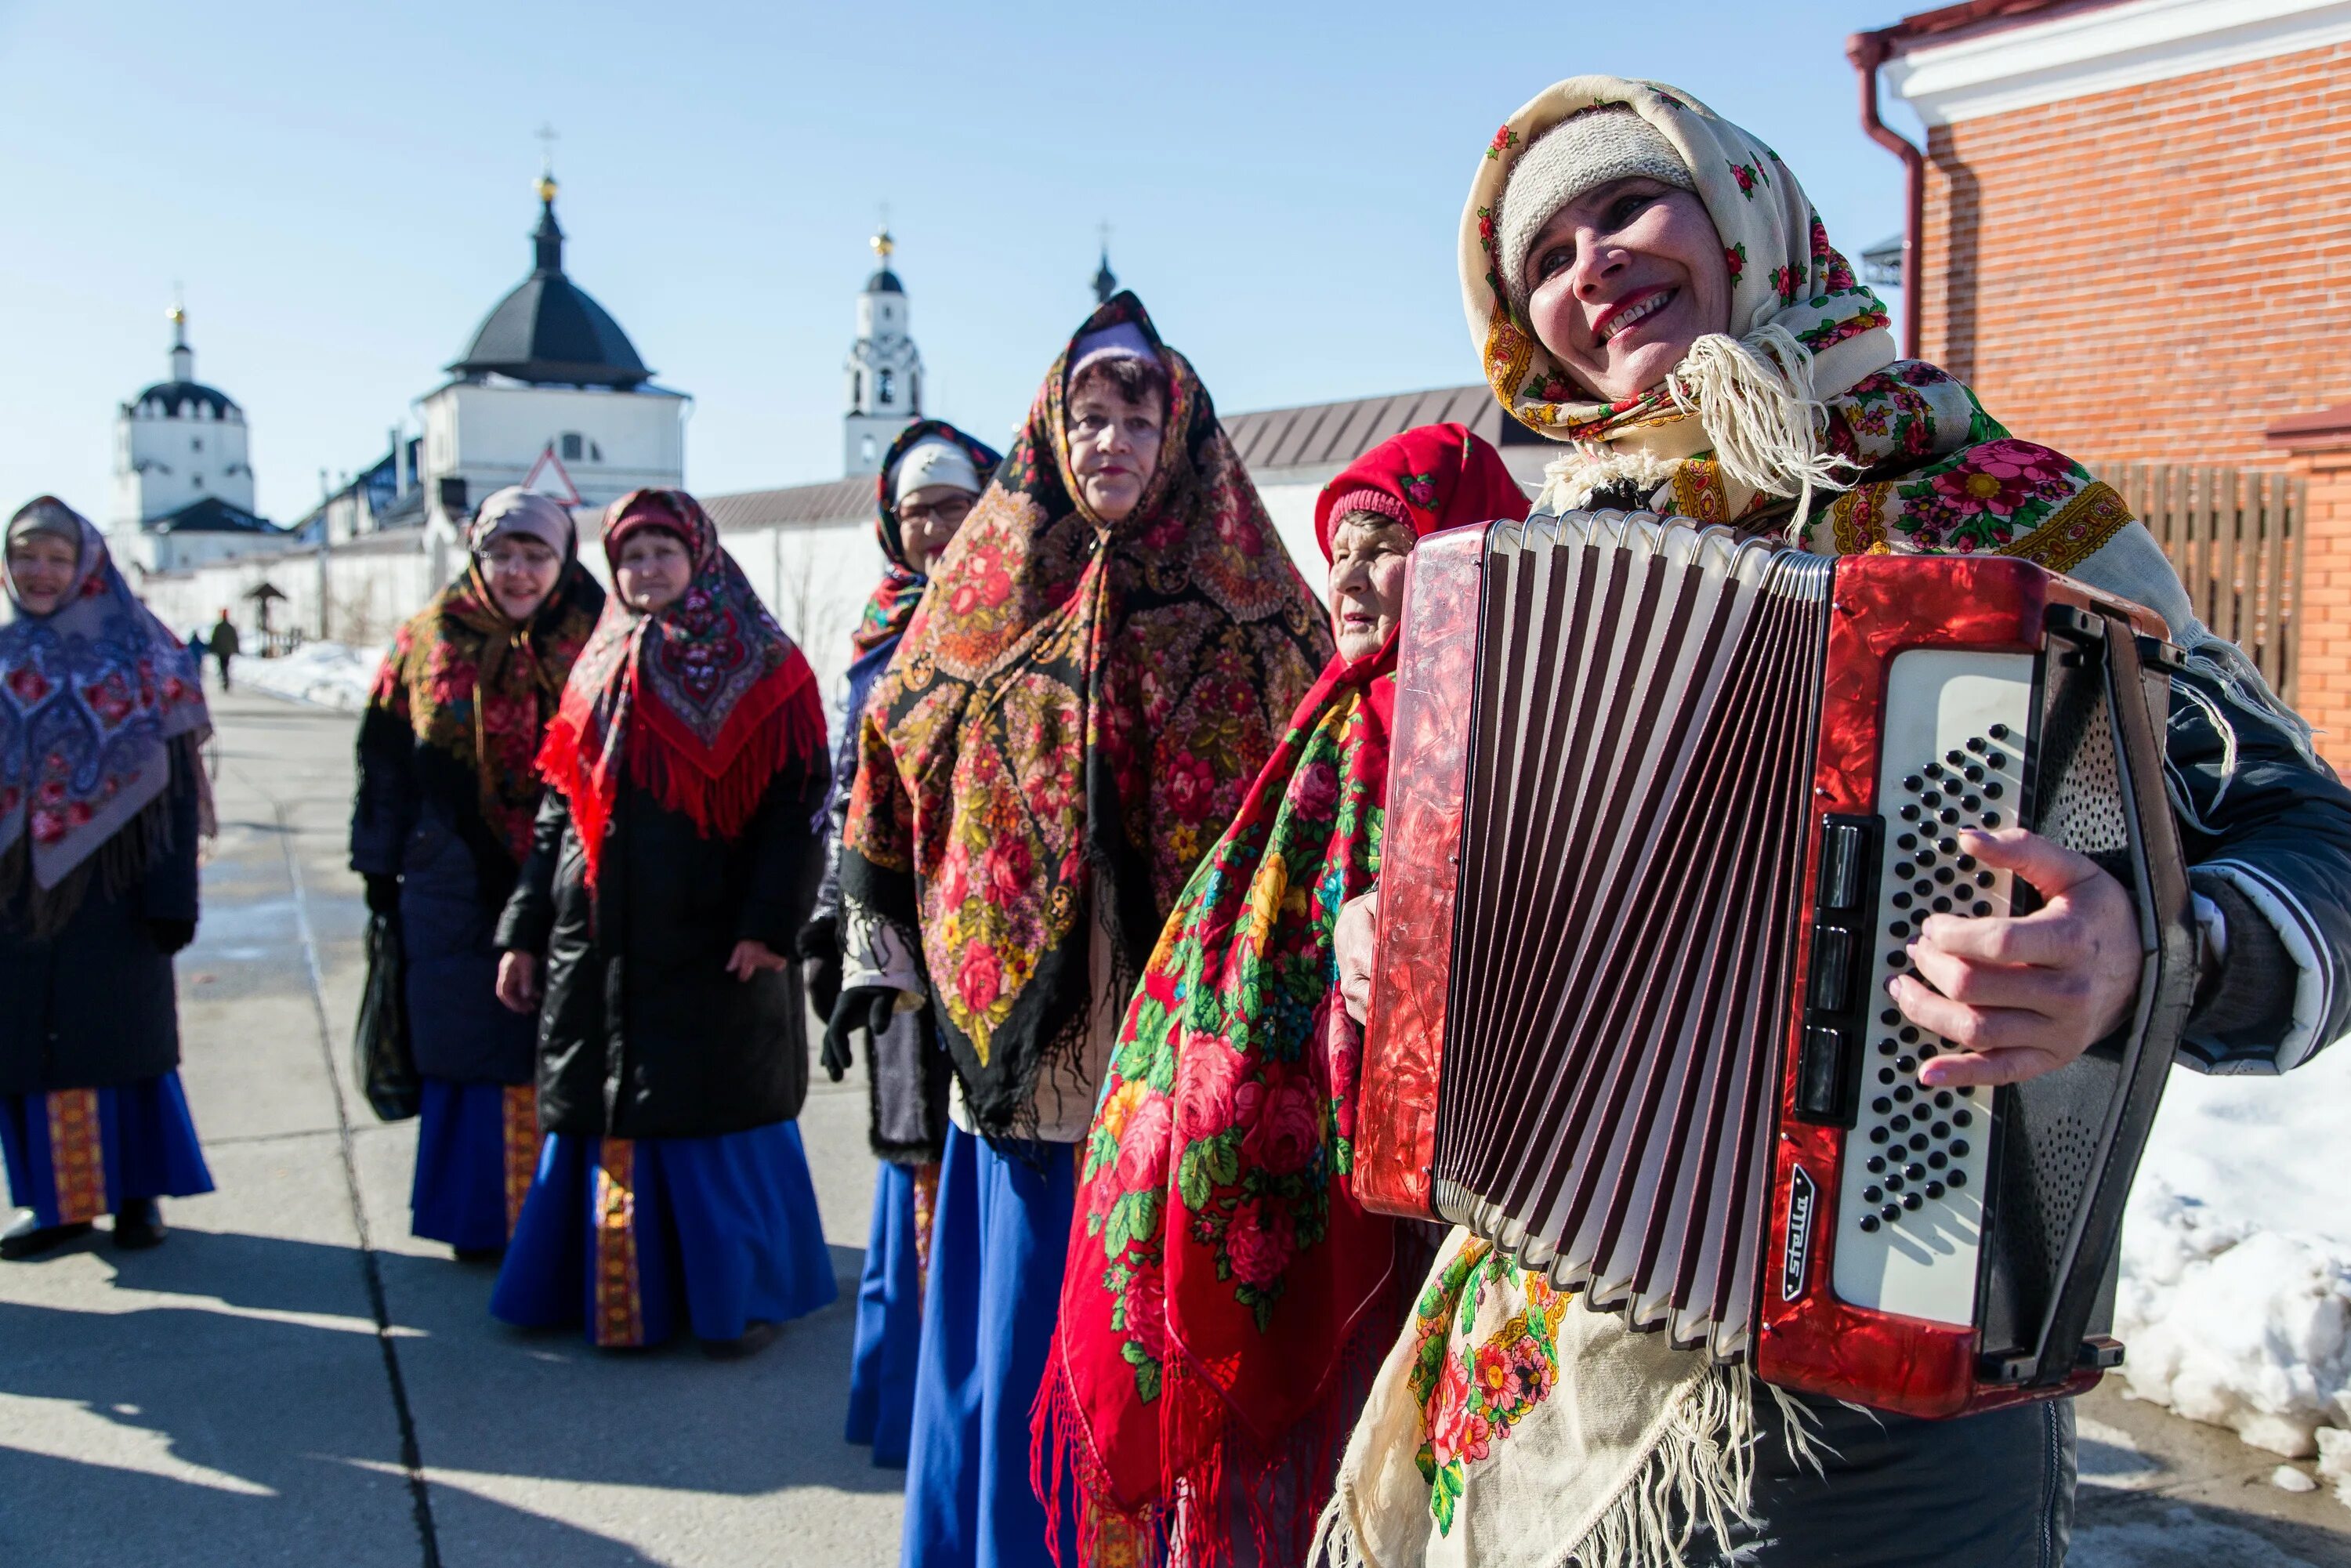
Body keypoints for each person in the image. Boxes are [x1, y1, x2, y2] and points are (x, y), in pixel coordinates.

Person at [1318, 76, 2351, 1568]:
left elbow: (2305, 833)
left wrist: (2148, 947)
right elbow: (1504, 875)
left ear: (1752, 219)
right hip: (1556, 1342)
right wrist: (1405, 943)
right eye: (1543, 257)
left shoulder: (1996, 516)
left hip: (1890, 1377)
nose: (1590, 263)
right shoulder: (1533, 576)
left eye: (1625, 206)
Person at [835, 294, 1330, 1568]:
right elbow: (890, 791)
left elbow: (1325, 815)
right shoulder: (974, 615)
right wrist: (897, 971)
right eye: (1091, 416)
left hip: (1188, 1072)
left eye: (1139, 416)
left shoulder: (1267, 625)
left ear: (1183, 431)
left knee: (1167, 1354)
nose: (1112, 440)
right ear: (1054, 430)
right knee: (1024, 1342)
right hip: (1032, 1074)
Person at [1038, 425, 1529, 1563]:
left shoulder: (1490, 723)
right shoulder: (1337, 708)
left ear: (1468, 549)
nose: (1348, 577)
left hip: (1420, 1196)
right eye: (1339, 549)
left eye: (1386, 544)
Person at [487, 487, 835, 1357]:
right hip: (597, 943)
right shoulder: (599, 660)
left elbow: (798, 808)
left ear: (701, 556)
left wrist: (769, 923)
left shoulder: (768, 664)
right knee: (609, 1111)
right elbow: (556, 809)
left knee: (710, 1117)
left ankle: (732, 1301)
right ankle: (614, 1298)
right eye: (631, 557)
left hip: (714, 945)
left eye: (662, 554)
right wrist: (524, 928)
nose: (645, 572)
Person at [800, 419, 1002, 1468]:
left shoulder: (1021, 611)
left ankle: (965, 1411)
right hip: (898, 933)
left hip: (990, 926)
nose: (936, 528)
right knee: (912, 1143)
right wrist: (842, 924)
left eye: (955, 504)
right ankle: (911, 1407)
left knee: (975, 1147)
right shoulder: (875, 636)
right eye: (918, 509)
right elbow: (847, 789)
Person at [350, 487, 604, 1262]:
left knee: (564, 1037)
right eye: (503, 553)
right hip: (449, 872)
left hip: (570, 867)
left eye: (536, 555)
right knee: (466, 1038)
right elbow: (384, 759)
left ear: (563, 559)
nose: (519, 571)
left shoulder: (597, 633)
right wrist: (378, 867)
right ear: (476, 553)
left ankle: (570, 1211)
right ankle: (481, 1218)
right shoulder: (427, 638)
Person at [0, 498, 216, 1258]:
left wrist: (171, 897)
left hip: (116, 894)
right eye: (26, 556)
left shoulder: (143, 654)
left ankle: (135, 1197)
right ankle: (56, 1203)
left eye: (57, 558)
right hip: (16, 898)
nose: (41, 572)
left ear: (87, 564)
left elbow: (179, 786)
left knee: (122, 1049)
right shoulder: (3, 656)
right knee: (28, 1051)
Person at [206, 609, 239, 692]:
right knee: (226, 665)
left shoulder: (219, 627)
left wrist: (212, 649)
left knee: (222, 666)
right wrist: (235, 649)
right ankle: (225, 678)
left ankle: (224, 678)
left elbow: (214, 639)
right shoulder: (230, 627)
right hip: (227, 651)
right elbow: (234, 639)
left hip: (221, 651)